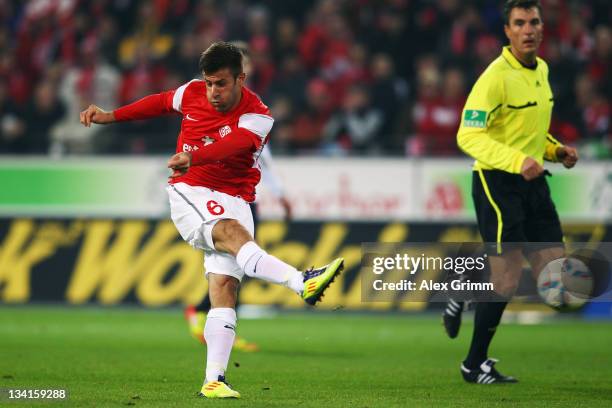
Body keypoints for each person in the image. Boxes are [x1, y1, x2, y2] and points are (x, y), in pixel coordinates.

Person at [79, 41, 343, 399]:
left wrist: (194, 155)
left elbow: (234, 144)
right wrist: (109, 115)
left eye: (221, 83)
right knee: (233, 235)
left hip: (236, 199)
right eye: (208, 83)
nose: (213, 91)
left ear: (240, 79)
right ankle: (301, 282)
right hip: (192, 190)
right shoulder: (191, 93)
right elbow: (156, 103)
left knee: (224, 289)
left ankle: (214, 379)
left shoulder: (259, 115)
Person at [441, 0, 578, 384]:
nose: (529, 29)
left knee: (555, 278)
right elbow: (467, 134)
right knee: (505, 278)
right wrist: (517, 161)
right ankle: (474, 364)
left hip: (533, 184)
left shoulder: (542, 70)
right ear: (508, 31)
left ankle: (467, 288)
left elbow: (530, 133)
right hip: (496, 182)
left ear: (542, 27)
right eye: (520, 23)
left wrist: (554, 150)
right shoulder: (495, 77)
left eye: (534, 21)